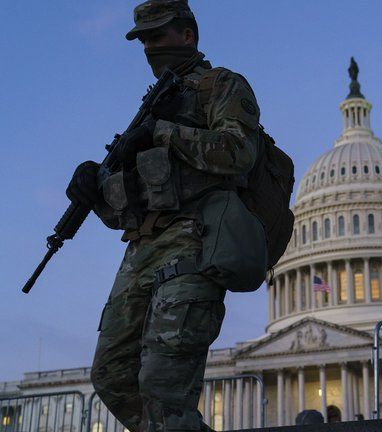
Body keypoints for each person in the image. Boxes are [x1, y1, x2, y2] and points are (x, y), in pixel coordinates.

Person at [65, 1, 265, 430]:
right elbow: (128, 210)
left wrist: (163, 132)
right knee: (112, 376)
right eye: (143, 41)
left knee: (162, 387)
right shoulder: (150, 107)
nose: (149, 49)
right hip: (142, 249)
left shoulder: (221, 85)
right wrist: (95, 188)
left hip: (196, 240)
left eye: (157, 37)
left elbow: (239, 153)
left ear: (188, 34)